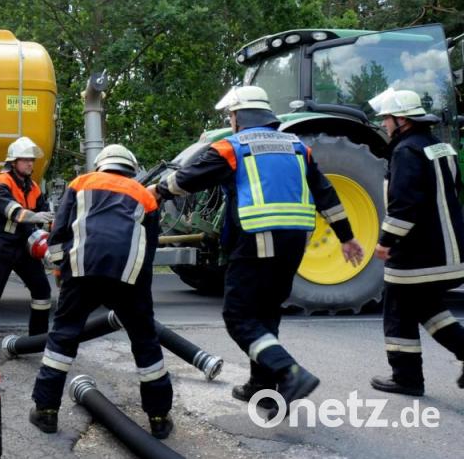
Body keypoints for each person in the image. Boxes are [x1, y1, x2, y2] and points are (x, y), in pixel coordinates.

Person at [153, 86, 364, 413]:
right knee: (266, 312)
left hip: (257, 238)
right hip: (295, 243)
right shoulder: (298, 147)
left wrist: (158, 190)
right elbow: (326, 195)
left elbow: (188, 179)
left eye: (231, 115)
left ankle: (288, 371)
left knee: (238, 315)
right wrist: (347, 236)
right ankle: (263, 386)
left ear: (238, 116)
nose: (230, 121)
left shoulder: (231, 147)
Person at [30, 144, 174, 439]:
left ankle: (46, 412)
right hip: (128, 275)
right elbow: (149, 247)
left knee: (63, 337)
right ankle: (159, 418)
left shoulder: (80, 183)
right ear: (131, 169)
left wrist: (61, 268)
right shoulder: (145, 195)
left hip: (82, 270)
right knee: (145, 341)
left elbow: (60, 230)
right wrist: (140, 290)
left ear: (101, 164)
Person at [367, 89, 464, 396]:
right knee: (426, 307)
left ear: (403, 120)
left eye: (387, 118)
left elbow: (404, 206)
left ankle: (406, 378)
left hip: (417, 253)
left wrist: (385, 242)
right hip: (449, 249)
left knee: (396, 308)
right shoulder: (442, 148)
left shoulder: (405, 151)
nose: (384, 124)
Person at [0, 136, 54, 338]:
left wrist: (54, 229)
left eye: (32, 160)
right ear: (13, 162)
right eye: (25, 160)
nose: (30, 163)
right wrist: (35, 216)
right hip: (1, 247)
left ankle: (37, 339)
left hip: (24, 247)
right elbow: (13, 211)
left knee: (42, 291)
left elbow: (45, 214)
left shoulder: (33, 187)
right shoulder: (1, 183)